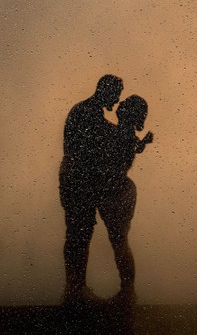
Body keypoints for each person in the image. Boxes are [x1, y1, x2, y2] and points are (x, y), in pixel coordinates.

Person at [59, 74, 124, 303]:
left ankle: (75, 288)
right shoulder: (87, 112)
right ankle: (74, 289)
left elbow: (104, 135)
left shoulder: (87, 110)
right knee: (79, 234)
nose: (117, 101)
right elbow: (100, 140)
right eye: (116, 95)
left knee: (79, 233)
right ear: (106, 90)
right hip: (77, 179)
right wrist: (125, 134)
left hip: (77, 178)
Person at [98, 95, 153, 303]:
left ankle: (128, 291)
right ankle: (127, 289)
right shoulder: (125, 132)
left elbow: (124, 151)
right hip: (117, 188)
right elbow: (135, 148)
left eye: (125, 104)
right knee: (119, 241)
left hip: (117, 190)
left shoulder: (122, 132)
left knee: (119, 241)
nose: (120, 105)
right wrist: (144, 142)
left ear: (129, 113)